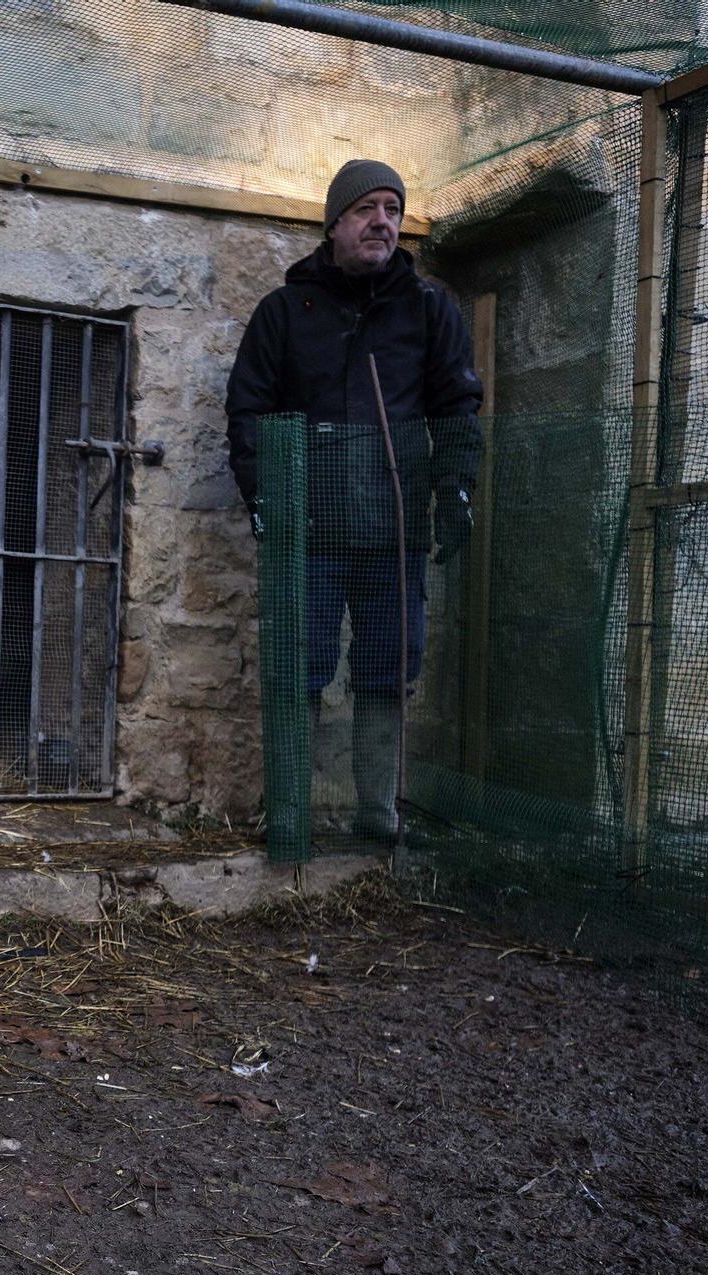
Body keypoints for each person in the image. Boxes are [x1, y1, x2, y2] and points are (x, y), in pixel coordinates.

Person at [225, 159, 482, 839]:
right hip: (305, 531)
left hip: (392, 527)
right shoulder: (285, 312)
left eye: (393, 210)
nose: (383, 222)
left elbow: (458, 405)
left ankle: (379, 815)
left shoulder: (428, 311)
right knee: (297, 669)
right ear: (335, 223)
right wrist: (264, 497)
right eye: (367, 208)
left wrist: (456, 486)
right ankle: (289, 813)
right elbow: (248, 410)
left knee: (386, 668)